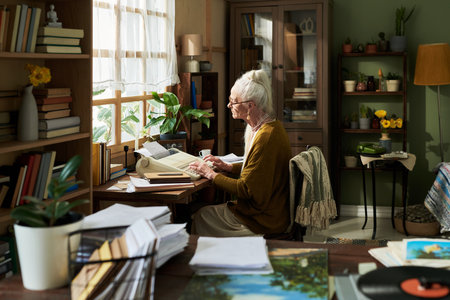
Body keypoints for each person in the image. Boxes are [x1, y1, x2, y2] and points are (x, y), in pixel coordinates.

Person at [189, 69, 292, 237]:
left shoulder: (265, 137)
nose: (229, 105)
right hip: (272, 211)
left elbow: (245, 189)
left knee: (202, 216)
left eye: (233, 101)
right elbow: (260, 172)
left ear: (250, 106)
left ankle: (211, 259)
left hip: (263, 220)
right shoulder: (271, 127)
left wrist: (210, 174)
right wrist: (229, 167)